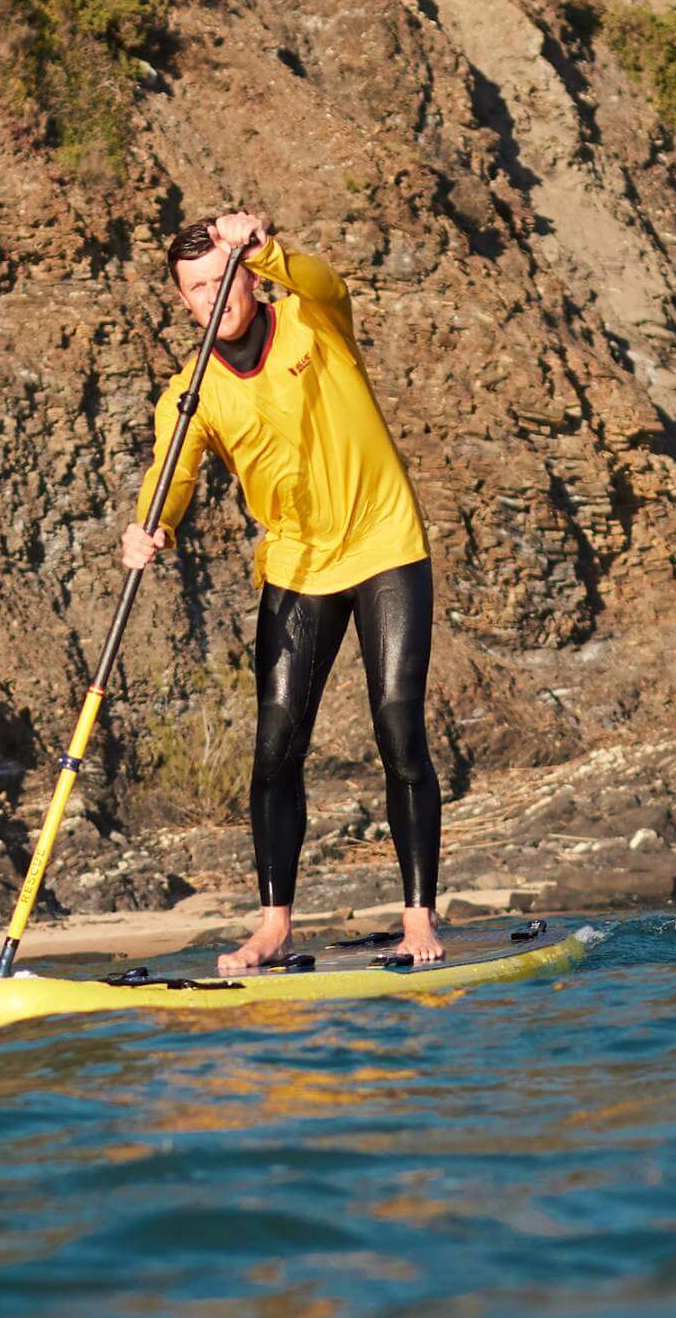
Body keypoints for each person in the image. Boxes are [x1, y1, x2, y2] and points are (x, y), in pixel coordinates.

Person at [120, 211, 443, 973]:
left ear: (247, 277)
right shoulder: (188, 395)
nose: (212, 296)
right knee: (274, 748)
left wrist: (265, 248)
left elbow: (324, 280)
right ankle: (274, 924)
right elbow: (173, 479)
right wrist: (148, 528)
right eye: (196, 289)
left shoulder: (312, 320)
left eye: (222, 278)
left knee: (397, 726)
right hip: (296, 567)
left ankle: (419, 917)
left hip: (385, 543)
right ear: (183, 302)